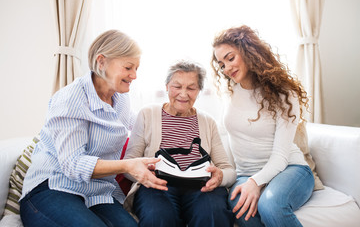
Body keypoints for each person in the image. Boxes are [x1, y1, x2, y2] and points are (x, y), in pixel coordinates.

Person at [19, 30, 167, 227]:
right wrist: (127, 165)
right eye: (128, 67)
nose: (134, 75)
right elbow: (72, 164)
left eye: (136, 68)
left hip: (97, 191)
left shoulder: (120, 97)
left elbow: (139, 124)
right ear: (101, 61)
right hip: (54, 187)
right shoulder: (71, 99)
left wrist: (173, 122)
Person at [210, 25, 315, 227]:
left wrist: (256, 182)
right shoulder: (229, 92)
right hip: (244, 174)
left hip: (289, 169)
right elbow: (221, 132)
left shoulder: (284, 93)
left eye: (230, 58)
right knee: (239, 207)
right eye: (221, 64)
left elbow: (280, 157)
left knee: (271, 205)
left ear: (249, 52)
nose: (226, 68)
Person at [123, 60, 236, 227]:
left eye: (191, 88)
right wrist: (145, 175)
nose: (183, 94)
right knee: (158, 218)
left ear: (198, 91)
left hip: (201, 187)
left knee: (212, 215)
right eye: (177, 86)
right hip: (157, 185)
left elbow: (228, 169)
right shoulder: (147, 114)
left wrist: (220, 177)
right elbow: (128, 163)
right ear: (167, 86)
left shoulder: (207, 121)